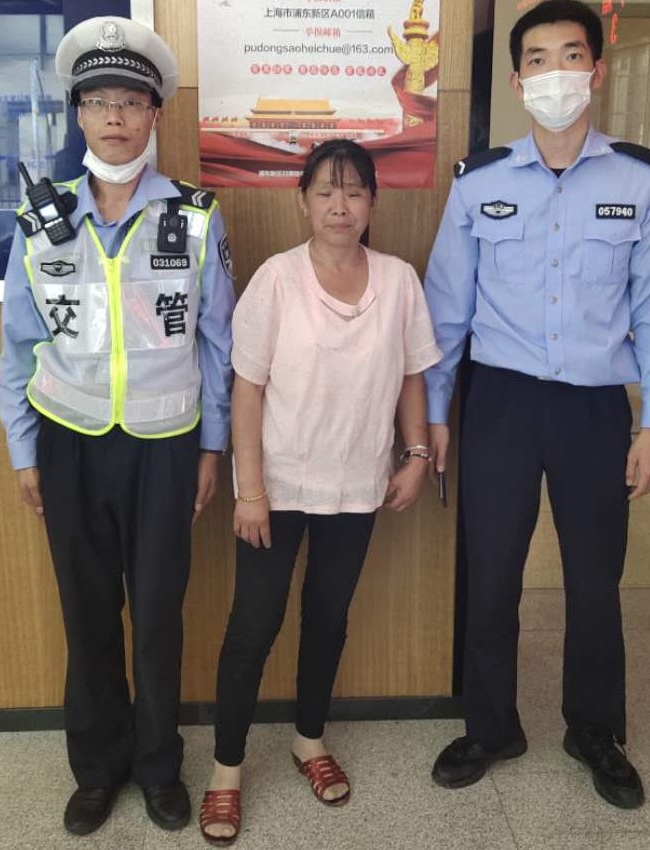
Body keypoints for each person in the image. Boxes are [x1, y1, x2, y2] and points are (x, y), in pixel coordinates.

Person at [424, 0, 650, 810]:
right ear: (516, 81)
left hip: (593, 408)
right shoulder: (479, 183)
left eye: (570, 56)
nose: (555, 74)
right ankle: (490, 726)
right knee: (491, 574)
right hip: (498, 402)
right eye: (537, 60)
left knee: (593, 580)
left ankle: (594, 730)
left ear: (595, 70)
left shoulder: (641, 181)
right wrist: (435, 413)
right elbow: (445, 311)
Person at [0, 16, 235, 836]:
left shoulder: (196, 216)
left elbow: (217, 341)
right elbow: (18, 343)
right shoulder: (39, 220)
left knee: (159, 614)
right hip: (68, 441)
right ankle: (97, 768)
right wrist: (23, 449)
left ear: (153, 113)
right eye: (97, 102)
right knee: (88, 612)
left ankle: (159, 765)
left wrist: (213, 445)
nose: (114, 118)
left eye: (130, 102)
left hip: (166, 445)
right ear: (77, 115)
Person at [198, 139, 441, 846]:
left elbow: (412, 374)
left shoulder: (398, 280)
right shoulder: (276, 279)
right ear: (301, 200)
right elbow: (246, 389)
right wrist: (249, 490)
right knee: (253, 626)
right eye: (326, 192)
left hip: (357, 482)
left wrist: (416, 454)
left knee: (328, 619)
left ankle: (309, 739)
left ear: (372, 201)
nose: (341, 206)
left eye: (355, 192)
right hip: (276, 486)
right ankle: (226, 769)